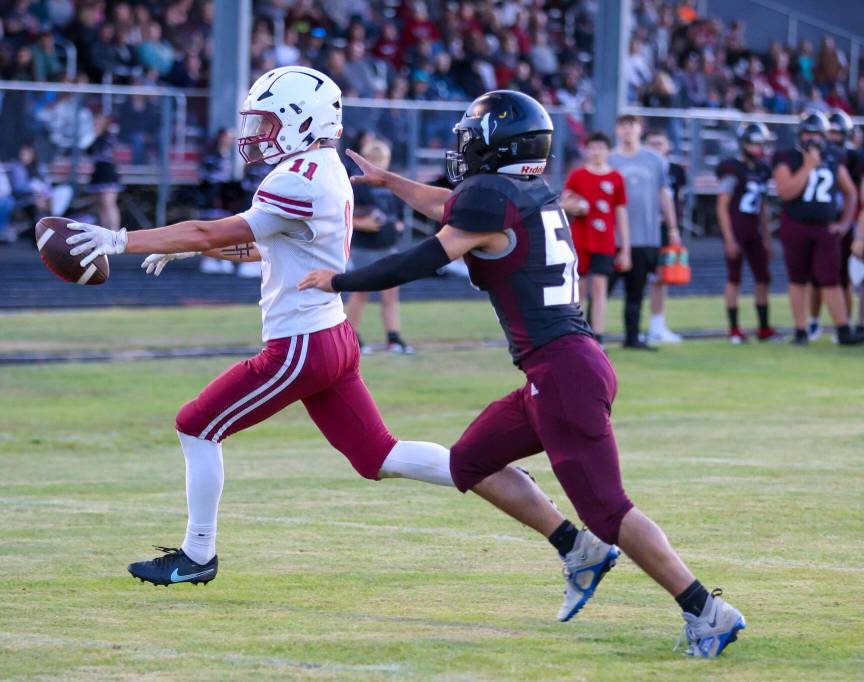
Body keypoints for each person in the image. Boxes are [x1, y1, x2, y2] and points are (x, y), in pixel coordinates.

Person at [65, 70, 616, 624]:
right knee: (379, 456)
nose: (257, 132)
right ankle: (552, 524)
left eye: (267, 121)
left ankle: (197, 555)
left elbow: (220, 232)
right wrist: (184, 250)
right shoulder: (322, 168)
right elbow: (274, 246)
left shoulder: (299, 175)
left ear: (304, 120)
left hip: (301, 343)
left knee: (195, 424)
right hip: (332, 337)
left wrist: (121, 240)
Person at [299, 91, 746, 657]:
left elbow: (424, 257)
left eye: (472, 134)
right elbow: (450, 208)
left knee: (609, 510)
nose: (463, 145)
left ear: (497, 144)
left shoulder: (491, 195)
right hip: (558, 368)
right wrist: (391, 183)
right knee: (470, 462)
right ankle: (576, 549)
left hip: (562, 372)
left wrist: (337, 281)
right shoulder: (521, 190)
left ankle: (706, 610)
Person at [772, 111, 861, 345]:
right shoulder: (787, 157)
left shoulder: (834, 157)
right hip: (796, 224)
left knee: (831, 279)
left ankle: (842, 328)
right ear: (799, 134)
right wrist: (808, 165)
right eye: (807, 132)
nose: (812, 138)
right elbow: (785, 192)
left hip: (824, 227)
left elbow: (851, 192)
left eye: (816, 133)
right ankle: (801, 330)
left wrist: (844, 223)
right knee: (798, 279)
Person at [608, 115, 681, 350]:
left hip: (645, 236)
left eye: (631, 126)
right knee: (601, 289)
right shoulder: (609, 160)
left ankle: (632, 337)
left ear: (640, 130)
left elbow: (664, 194)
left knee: (637, 290)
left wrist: (672, 227)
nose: (627, 131)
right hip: (612, 237)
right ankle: (590, 338)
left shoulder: (655, 160)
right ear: (617, 130)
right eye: (622, 126)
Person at [561, 131, 630, 345]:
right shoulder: (577, 175)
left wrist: (625, 248)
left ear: (608, 151)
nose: (597, 152)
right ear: (587, 150)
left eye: (601, 148)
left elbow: (621, 212)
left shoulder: (615, 178)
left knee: (600, 288)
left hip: (604, 241)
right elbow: (563, 203)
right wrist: (577, 206)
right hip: (580, 240)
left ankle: (597, 338)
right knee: (579, 288)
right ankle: (578, 336)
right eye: (593, 148)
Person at [715, 123, 781, 343]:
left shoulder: (762, 169)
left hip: (754, 230)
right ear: (743, 144)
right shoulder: (732, 169)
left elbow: (762, 207)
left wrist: (768, 238)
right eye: (753, 143)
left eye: (760, 143)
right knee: (734, 279)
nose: (757, 148)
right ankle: (733, 329)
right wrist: (729, 238)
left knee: (763, 278)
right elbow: (722, 206)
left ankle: (763, 327)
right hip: (737, 228)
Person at [346, 138, 413, 354]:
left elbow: (399, 214)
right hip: (364, 247)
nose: (378, 163)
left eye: (381, 159)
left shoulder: (391, 184)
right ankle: (351, 336)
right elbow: (344, 215)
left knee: (391, 294)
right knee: (360, 293)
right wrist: (360, 222)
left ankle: (393, 337)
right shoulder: (356, 185)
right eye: (373, 159)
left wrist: (397, 225)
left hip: (388, 245)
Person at [807, 110, 861, 339]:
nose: (834, 137)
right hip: (824, 220)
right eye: (831, 132)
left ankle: (845, 324)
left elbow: (854, 194)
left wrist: (851, 225)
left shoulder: (854, 158)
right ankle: (814, 321)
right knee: (816, 277)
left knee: (843, 278)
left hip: (848, 221)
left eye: (838, 133)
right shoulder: (819, 154)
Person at [644, 129, 686, 344]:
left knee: (662, 277)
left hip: (664, 228)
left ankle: (657, 325)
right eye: (652, 144)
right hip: (642, 228)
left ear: (668, 146)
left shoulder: (676, 170)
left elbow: (676, 198)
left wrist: (673, 227)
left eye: (659, 144)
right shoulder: (642, 168)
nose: (656, 149)